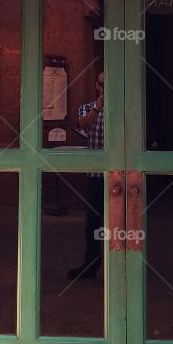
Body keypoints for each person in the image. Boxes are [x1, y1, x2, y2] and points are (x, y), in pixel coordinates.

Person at [67, 73, 104, 280]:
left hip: (119, 174)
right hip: (95, 174)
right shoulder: (88, 107)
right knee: (92, 221)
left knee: (119, 221)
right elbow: (83, 124)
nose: (105, 88)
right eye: (101, 84)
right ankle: (91, 263)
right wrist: (98, 107)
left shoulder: (123, 106)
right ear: (96, 85)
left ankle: (118, 267)